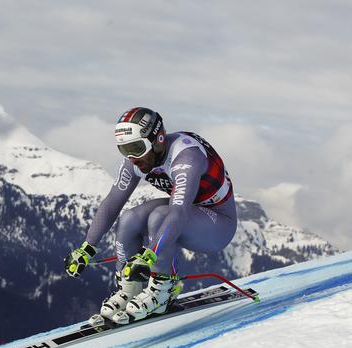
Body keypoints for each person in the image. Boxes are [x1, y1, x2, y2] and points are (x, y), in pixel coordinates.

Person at [64, 107, 237, 325]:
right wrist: (87, 248)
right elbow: (112, 203)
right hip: (190, 211)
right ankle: (130, 289)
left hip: (218, 224)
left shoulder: (186, 157)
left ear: (158, 140)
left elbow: (179, 213)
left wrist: (150, 255)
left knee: (159, 217)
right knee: (129, 219)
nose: (132, 158)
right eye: (124, 149)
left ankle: (163, 290)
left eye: (136, 148)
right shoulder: (138, 159)